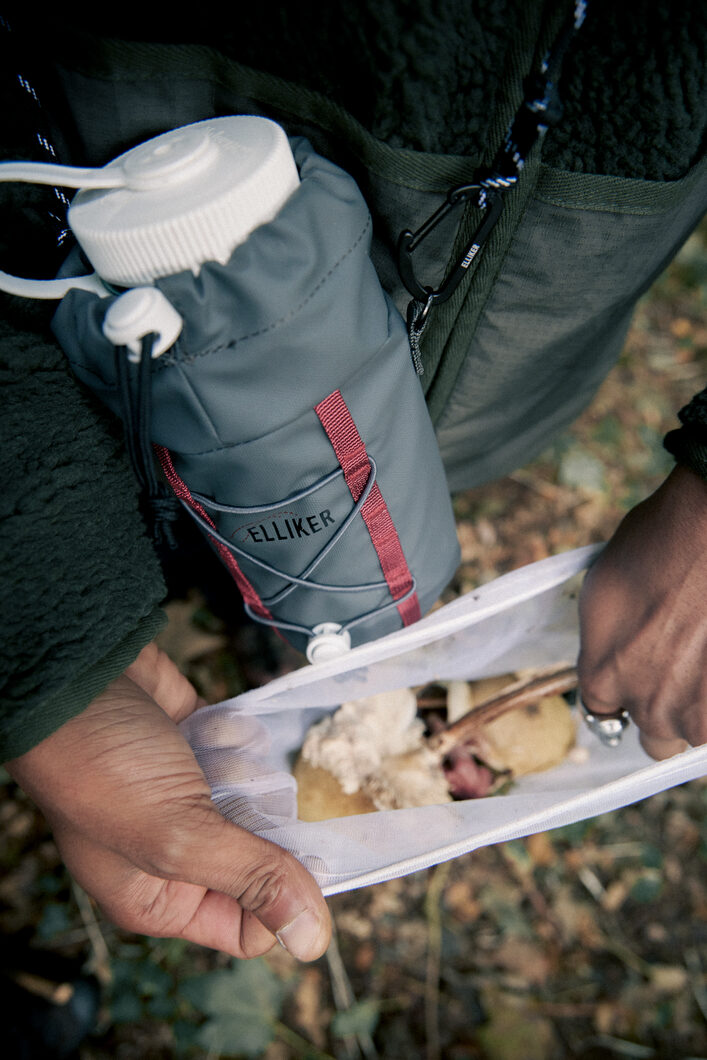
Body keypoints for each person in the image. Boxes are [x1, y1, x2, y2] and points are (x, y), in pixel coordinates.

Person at [2, 0, 706, 962]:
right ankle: (268, 624)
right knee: (236, 534)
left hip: (522, 344)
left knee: (397, 512)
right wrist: (44, 631)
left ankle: (305, 624)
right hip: (137, 183)